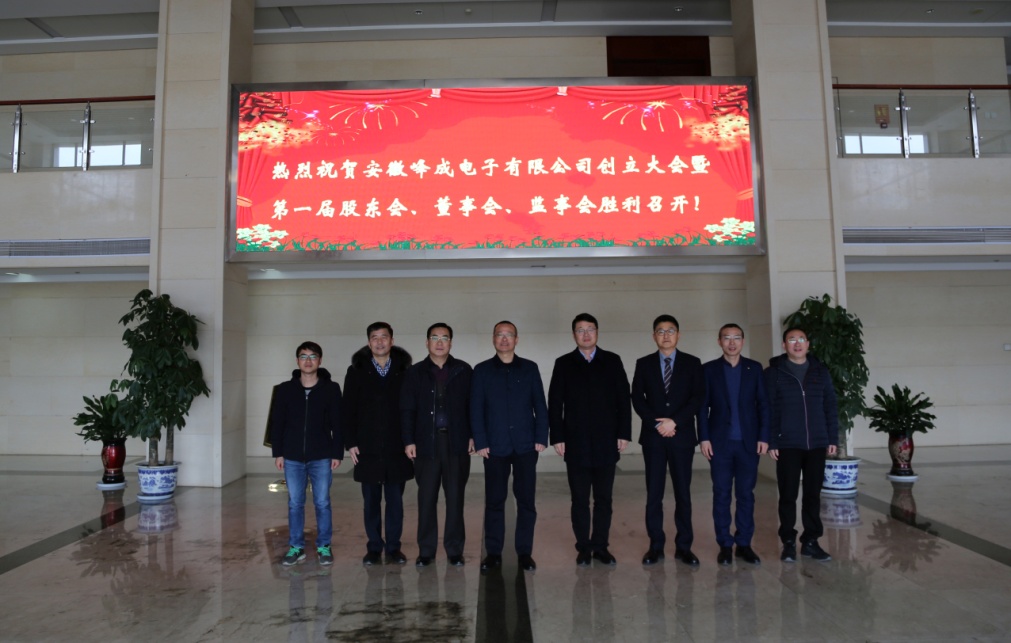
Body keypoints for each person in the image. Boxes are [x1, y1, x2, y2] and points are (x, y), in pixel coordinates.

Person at [548, 313, 631, 566]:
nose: (586, 334)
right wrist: (557, 436)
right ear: (574, 334)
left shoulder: (612, 361)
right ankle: (583, 547)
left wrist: (623, 433)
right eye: (580, 330)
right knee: (580, 499)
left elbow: (623, 400)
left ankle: (601, 546)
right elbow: (555, 403)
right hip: (576, 442)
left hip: (607, 440)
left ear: (597, 332)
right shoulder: (564, 363)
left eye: (590, 329)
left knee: (604, 499)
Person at [470, 321, 549, 573]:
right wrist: (480, 441)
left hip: (526, 445)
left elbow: (540, 405)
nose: (504, 339)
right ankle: (493, 552)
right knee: (495, 500)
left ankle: (524, 552)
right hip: (494, 447)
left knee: (526, 501)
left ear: (517, 339)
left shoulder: (529, 368)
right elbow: (475, 409)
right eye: (499, 335)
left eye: (509, 335)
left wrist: (541, 436)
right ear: (493, 339)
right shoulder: (481, 370)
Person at [631, 314, 706, 567]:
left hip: (681, 437)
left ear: (678, 335)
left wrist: (675, 422)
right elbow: (637, 398)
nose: (666, 335)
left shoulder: (692, 363)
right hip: (653, 438)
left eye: (670, 330)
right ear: (654, 336)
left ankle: (684, 547)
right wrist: (657, 424)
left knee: (683, 493)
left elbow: (698, 397)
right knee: (654, 494)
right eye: (660, 331)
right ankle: (655, 546)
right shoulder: (643, 363)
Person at [401, 322, 474, 567]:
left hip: (456, 443)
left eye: (444, 338)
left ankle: (454, 550)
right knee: (426, 499)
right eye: (435, 338)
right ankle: (426, 551)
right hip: (426, 444)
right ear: (427, 342)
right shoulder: (415, 372)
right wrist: (409, 440)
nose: (440, 342)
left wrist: (473, 435)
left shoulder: (463, 370)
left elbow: (472, 406)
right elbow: (407, 409)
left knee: (455, 499)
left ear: (450, 343)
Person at [698, 323, 771, 566]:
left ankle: (744, 544)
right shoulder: (709, 370)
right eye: (727, 338)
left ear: (742, 341)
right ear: (719, 341)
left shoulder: (754, 368)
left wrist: (764, 436)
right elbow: (702, 408)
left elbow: (764, 404)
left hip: (748, 443)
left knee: (745, 494)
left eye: (736, 337)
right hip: (719, 443)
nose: (732, 342)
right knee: (721, 494)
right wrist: (704, 438)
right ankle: (725, 544)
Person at [342, 322, 414, 566]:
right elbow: (347, 409)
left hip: (397, 446)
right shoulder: (356, 371)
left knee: (395, 502)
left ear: (392, 341)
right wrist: (350, 442)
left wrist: (410, 440)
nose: (380, 342)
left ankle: (393, 547)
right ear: (368, 342)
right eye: (375, 337)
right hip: (367, 446)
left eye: (384, 337)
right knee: (371, 501)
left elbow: (411, 408)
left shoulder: (405, 370)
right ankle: (374, 547)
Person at [765, 327, 839, 563]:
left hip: (816, 443)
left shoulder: (820, 371)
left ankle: (811, 541)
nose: (797, 344)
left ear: (808, 344)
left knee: (812, 495)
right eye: (791, 340)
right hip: (787, 444)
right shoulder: (774, 373)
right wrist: (772, 440)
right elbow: (769, 409)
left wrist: (832, 438)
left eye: (801, 339)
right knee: (788, 495)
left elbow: (830, 405)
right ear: (784, 345)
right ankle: (788, 542)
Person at [271, 341, 343, 566]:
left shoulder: (331, 389)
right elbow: (277, 423)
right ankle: (296, 547)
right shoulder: (285, 389)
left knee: (322, 502)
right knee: (295, 503)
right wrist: (278, 453)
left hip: (321, 455)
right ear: (297, 361)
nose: (308, 361)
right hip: (292, 456)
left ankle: (324, 545)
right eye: (304, 356)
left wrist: (337, 453)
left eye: (313, 356)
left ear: (320, 360)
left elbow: (338, 423)